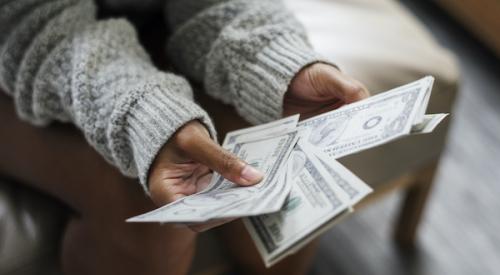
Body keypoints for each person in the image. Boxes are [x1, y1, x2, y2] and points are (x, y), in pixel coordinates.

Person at [0, 0, 369, 274]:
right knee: (151, 209)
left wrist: (276, 61)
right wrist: (146, 114)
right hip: (18, 44)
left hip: (151, 27)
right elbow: (32, 25)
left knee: (285, 155)